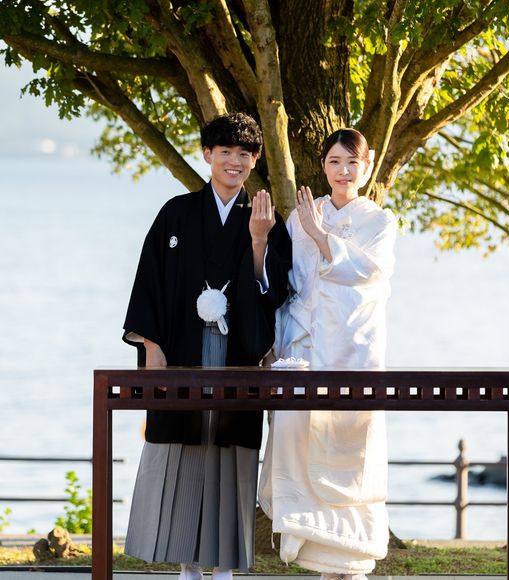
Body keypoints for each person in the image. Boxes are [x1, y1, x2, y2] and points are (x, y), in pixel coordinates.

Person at [122, 113, 292, 580]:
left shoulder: (263, 217)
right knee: (182, 449)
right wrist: (151, 346)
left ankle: (224, 565)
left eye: (244, 154)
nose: (234, 161)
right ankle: (188, 563)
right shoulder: (176, 213)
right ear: (207, 155)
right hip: (181, 349)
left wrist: (259, 241)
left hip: (237, 351)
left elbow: (275, 291)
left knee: (230, 453)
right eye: (225, 152)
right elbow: (149, 282)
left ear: (255, 160)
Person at [259, 128, 396, 579]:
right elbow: (288, 284)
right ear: (323, 166)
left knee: (349, 448)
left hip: (352, 351)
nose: (343, 171)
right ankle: (316, 558)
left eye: (352, 163)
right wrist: (275, 345)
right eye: (335, 162)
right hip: (301, 349)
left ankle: (350, 561)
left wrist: (322, 237)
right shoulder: (301, 215)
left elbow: (367, 274)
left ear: (367, 166)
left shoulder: (380, 222)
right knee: (296, 445)